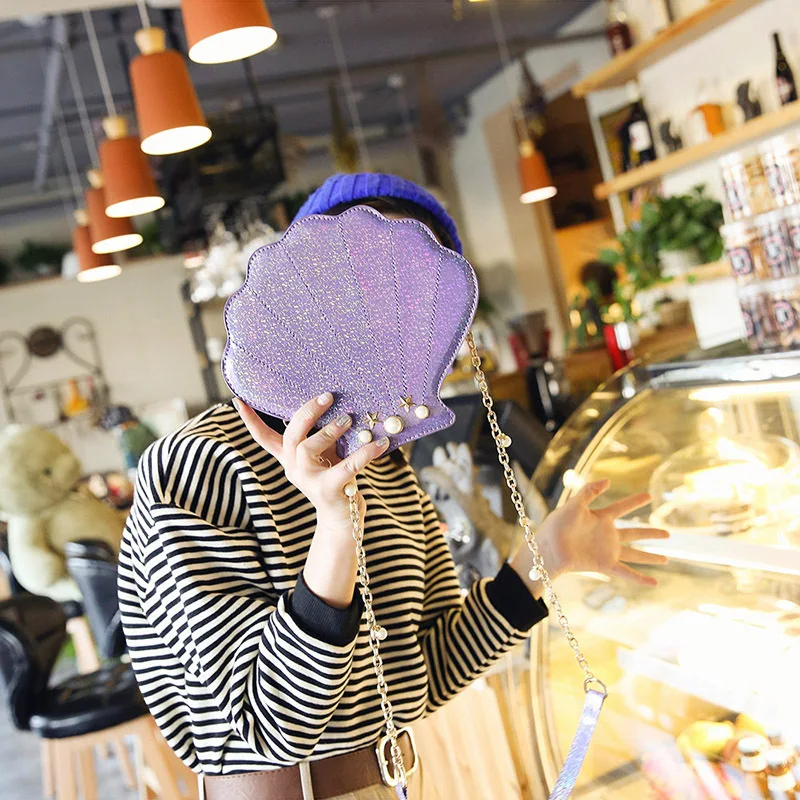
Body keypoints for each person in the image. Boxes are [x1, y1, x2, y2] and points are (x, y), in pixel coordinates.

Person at [118, 173, 668, 800]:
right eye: (367, 277)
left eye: (420, 293)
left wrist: (544, 559)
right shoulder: (199, 463)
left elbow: (422, 673)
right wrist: (334, 529)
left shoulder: (386, 464)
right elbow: (267, 725)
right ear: (305, 287)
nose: (389, 314)